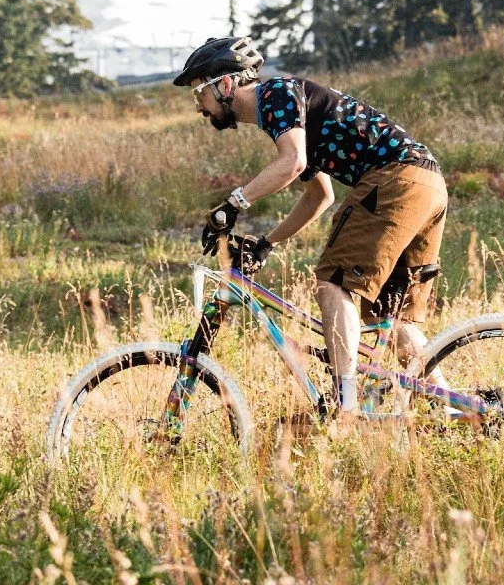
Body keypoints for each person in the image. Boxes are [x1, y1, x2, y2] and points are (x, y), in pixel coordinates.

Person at [173, 35, 448, 418]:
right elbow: (320, 196)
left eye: (198, 93)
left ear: (226, 84)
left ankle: (344, 403)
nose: (198, 107)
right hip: (427, 184)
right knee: (390, 318)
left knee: (333, 283)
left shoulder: (276, 95)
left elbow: (293, 163)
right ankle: (452, 410)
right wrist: (267, 243)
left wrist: (233, 204)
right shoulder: (292, 116)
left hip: (396, 180)